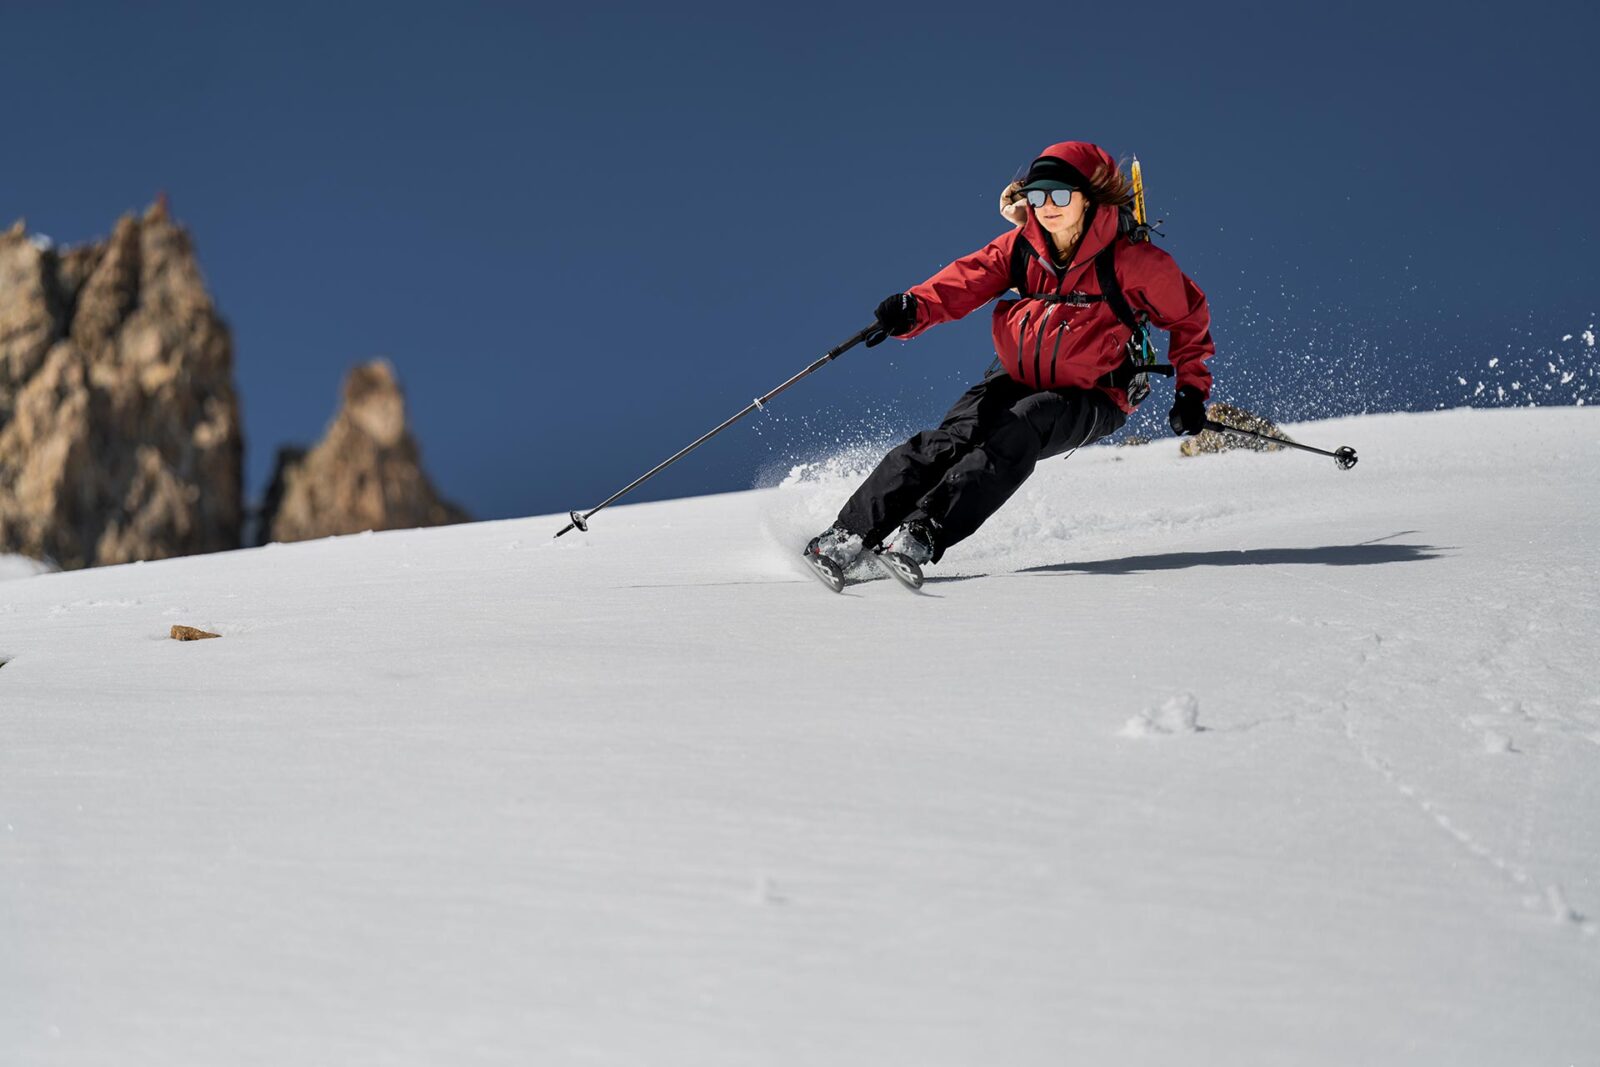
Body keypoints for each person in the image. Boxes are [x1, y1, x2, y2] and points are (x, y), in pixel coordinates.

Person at [805, 140, 1215, 571]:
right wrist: (914, 307)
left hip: (1095, 393)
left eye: (1060, 195)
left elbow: (1189, 319)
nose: (1047, 206)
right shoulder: (1020, 246)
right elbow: (963, 282)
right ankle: (846, 537)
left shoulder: (1135, 262)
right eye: (1037, 196)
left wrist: (1191, 392)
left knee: (1019, 429)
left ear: (1089, 197)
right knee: (946, 442)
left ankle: (922, 532)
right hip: (1015, 374)